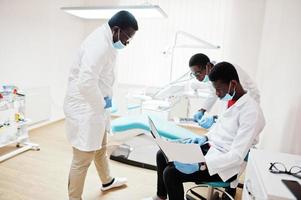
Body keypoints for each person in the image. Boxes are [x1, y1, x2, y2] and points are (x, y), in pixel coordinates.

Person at [144, 62, 265, 200]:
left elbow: (236, 156)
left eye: (219, 89)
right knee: (162, 154)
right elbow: (220, 129)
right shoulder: (230, 100)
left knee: (170, 174)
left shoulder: (251, 113)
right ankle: (161, 196)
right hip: (210, 149)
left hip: (223, 165)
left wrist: (202, 165)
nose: (217, 94)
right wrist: (204, 138)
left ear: (233, 84)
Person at [63, 11, 138, 200]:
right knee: (82, 158)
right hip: (85, 108)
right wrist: (101, 103)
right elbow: (86, 83)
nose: (128, 42)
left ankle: (107, 181)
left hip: (95, 106)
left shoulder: (108, 39)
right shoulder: (100, 45)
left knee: (101, 147)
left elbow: (101, 75)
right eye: (127, 36)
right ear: (116, 29)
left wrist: (104, 103)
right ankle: (74, 198)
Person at [189, 53, 260, 129]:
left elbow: (235, 96)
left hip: (247, 103)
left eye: (198, 73)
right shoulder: (212, 75)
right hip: (236, 107)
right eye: (194, 75)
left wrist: (218, 119)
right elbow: (213, 93)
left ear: (208, 66)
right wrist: (202, 110)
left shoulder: (228, 70)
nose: (197, 78)